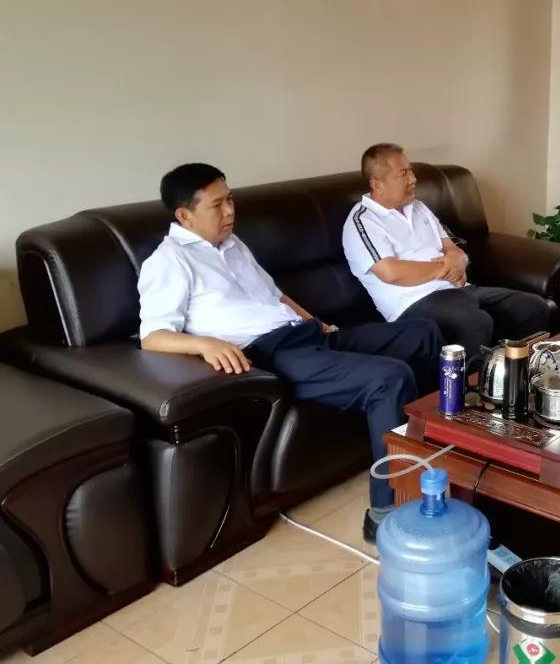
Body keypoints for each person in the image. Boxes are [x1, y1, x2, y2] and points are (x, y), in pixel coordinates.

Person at [138, 163, 441, 542]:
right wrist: (205, 344)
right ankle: (386, 512)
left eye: (230, 200)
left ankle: (432, 449)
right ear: (184, 215)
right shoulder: (168, 261)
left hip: (306, 335)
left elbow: (276, 295)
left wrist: (317, 322)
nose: (230, 211)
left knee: (423, 333)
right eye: (217, 205)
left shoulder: (233, 245)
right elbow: (153, 336)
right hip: (273, 355)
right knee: (389, 378)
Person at [342, 143, 551, 358]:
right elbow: (391, 272)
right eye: (403, 174)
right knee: (476, 323)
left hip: (460, 290)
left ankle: (516, 373)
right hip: (414, 304)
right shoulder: (363, 221)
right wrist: (446, 268)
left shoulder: (418, 207)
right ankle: (475, 380)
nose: (413, 179)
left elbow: (453, 250)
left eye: (411, 171)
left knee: (532, 307)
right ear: (377, 185)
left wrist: (459, 262)